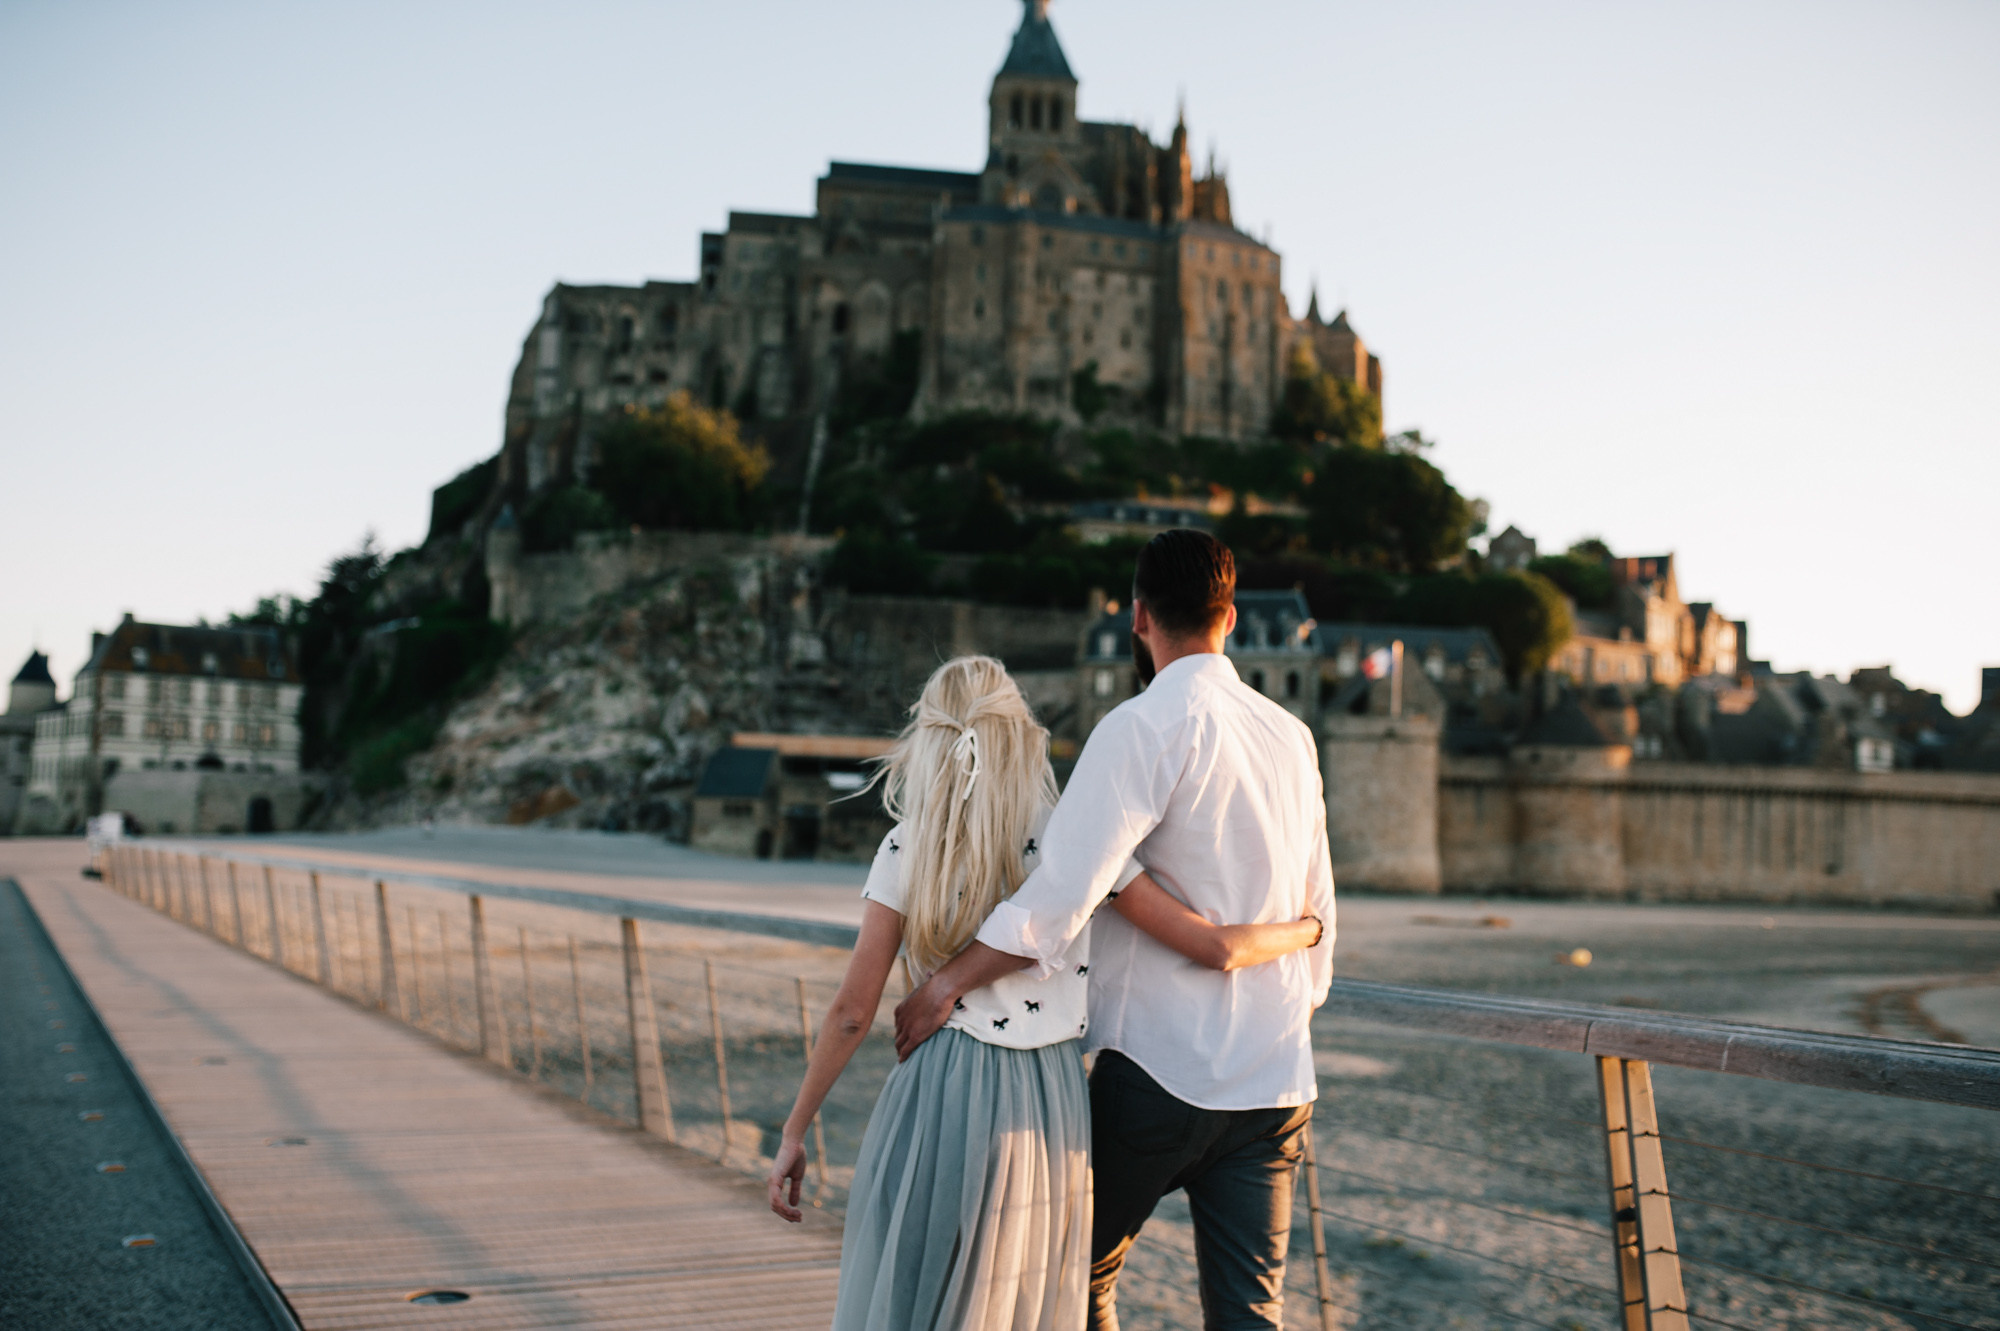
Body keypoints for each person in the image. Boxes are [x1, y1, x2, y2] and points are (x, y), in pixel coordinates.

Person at [767, 654, 1321, 1331]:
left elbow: (852, 1012)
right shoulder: (1079, 838)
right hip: (1047, 1101)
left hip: (939, 1088)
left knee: (922, 1292)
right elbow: (1212, 945)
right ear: (1018, 729)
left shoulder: (908, 843)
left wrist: (795, 1129)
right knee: (1022, 1303)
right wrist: (1307, 927)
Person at [896, 531, 1336, 1331]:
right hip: (1276, 1077)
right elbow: (1319, 916)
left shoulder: (1139, 726)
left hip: (1158, 1071)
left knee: (1072, 1276)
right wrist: (1284, 1016)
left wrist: (946, 981)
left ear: (1138, 616)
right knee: (1251, 1314)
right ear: (1231, 617)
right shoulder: (1292, 737)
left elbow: (1059, 895)